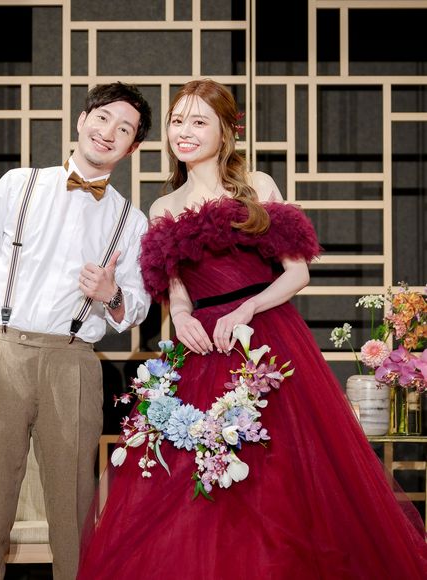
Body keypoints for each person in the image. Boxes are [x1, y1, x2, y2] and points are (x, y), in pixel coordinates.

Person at [77, 79, 427, 579]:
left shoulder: (257, 186)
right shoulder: (163, 208)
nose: (184, 132)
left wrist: (248, 309)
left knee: (276, 479)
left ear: (225, 132)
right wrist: (181, 317)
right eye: (177, 121)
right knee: (188, 481)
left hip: (264, 339)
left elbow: (298, 273)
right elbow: (177, 290)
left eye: (199, 122)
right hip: (200, 348)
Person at [0, 82, 152, 580]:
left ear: (132, 148)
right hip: (3, 350)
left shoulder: (131, 220)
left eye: (124, 129)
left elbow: (137, 306)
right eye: (103, 118)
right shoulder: (18, 184)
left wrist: (111, 294)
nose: (109, 132)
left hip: (72, 361)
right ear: (82, 120)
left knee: (73, 510)